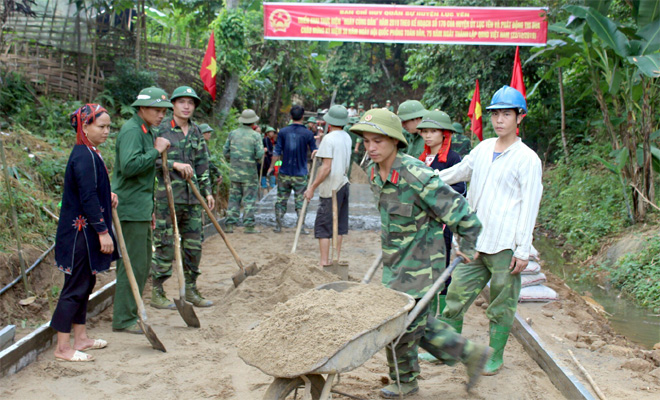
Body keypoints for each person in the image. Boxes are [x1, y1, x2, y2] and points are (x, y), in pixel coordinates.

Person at [349, 109, 490, 398]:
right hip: (395, 261)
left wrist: (468, 243)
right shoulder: (375, 174)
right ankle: (470, 353)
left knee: (398, 326)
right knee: (413, 323)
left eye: (378, 141)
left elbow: (462, 211)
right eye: (366, 142)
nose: (371, 148)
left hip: (424, 265)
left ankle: (405, 382)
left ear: (395, 141)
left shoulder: (416, 175)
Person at [437, 86, 543, 376]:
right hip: (475, 241)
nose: (499, 120)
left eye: (506, 114)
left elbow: (530, 206)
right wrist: (430, 179)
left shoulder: (527, 159)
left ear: (519, 118)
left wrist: (523, 250)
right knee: (456, 293)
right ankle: (448, 348)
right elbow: (458, 173)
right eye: (496, 114)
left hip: (505, 245)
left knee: (501, 303)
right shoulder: (483, 149)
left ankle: (494, 356)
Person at [51, 104, 119, 362]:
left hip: (86, 232)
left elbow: (91, 190)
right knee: (75, 287)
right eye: (101, 126)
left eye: (108, 127)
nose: (106, 131)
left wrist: (107, 194)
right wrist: (103, 231)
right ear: (85, 127)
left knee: (86, 284)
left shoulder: (91, 153)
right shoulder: (83, 155)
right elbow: (88, 196)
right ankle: (62, 347)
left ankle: (81, 338)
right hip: (80, 234)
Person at [112, 87, 171, 334]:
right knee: (132, 264)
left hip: (141, 208)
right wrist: (156, 151)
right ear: (142, 108)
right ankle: (124, 318)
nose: (161, 115)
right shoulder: (132, 131)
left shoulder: (148, 131)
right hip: (128, 208)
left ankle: (130, 312)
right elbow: (129, 166)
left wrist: (151, 208)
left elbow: (147, 175)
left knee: (143, 262)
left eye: (163, 111)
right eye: (157, 110)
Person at [151, 86, 214, 309]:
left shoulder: (197, 132)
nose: (186, 106)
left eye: (191, 102)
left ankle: (191, 289)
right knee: (165, 244)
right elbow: (151, 160)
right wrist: (173, 164)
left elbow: (202, 164)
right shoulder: (160, 130)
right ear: (173, 105)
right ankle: (157, 291)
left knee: (194, 246)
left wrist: (207, 191)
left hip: (193, 198)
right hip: (168, 198)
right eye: (182, 102)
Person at [415, 110, 467, 363]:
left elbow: (459, 190)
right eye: (424, 131)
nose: (427, 135)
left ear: (444, 134)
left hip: (442, 227)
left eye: (432, 131)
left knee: (442, 277)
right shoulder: (422, 157)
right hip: (421, 226)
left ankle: (443, 337)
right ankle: (428, 329)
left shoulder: (453, 159)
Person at [303, 105, 352, 268]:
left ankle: (324, 262)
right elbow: (337, 156)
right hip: (344, 184)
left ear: (329, 122)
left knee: (323, 225)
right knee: (339, 224)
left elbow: (326, 168)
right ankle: (335, 259)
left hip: (331, 187)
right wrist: (320, 153)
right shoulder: (347, 137)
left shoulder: (328, 138)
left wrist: (312, 187)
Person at [268, 105, 317, 233]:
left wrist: (271, 168)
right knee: (301, 201)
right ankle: (300, 226)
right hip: (301, 174)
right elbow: (315, 151)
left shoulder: (283, 132)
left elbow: (276, 152)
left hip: (284, 172)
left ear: (291, 116)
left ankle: (278, 226)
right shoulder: (308, 133)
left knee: (281, 199)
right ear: (302, 117)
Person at [222, 109, 264, 233]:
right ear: (253, 122)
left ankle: (230, 225)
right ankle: (249, 225)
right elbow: (260, 154)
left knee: (234, 199)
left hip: (235, 173)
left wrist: (234, 161)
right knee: (249, 199)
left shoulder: (232, 134)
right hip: (250, 174)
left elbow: (225, 152)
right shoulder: (256, 135)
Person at [199, 123, 223, 190]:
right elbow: (207, 162)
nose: (210, 134)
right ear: (202, 133)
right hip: (201, 177)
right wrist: (217, 173)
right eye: (208, 132)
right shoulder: (201, 146)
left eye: (210, 133)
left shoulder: (202, 144)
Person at [261, 126, 277, 196]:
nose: (273, 133)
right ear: (268, 133)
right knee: (268, 171)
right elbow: (268, 150)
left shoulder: (271, 140)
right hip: (267, 158)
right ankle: (265, 184)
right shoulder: (266, 139)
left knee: (270, 171)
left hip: (269, 157)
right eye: (271, 132)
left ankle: (271, 184)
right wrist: (271, 153)